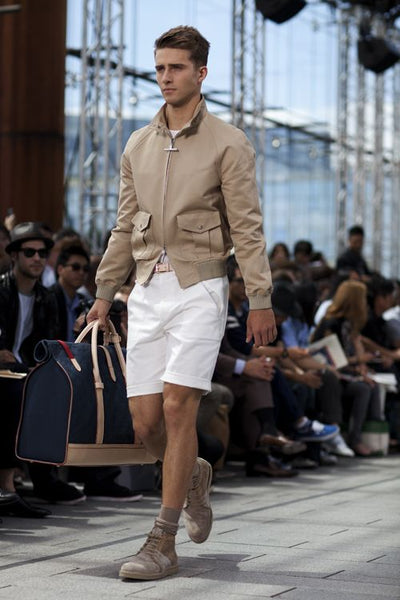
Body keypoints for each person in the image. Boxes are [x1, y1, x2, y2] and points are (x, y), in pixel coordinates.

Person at [86, 26, 276, 581]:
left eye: (176, 67)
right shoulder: (137, 145)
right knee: (145, 425)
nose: (166, 77)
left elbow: (248, 227)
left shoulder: (228, 141)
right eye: (160, 67)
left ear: (201, 73)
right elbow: (124, 226)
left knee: (177, 407)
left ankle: (162, 541)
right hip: (144, 290)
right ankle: (192, 472)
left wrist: (260, 296)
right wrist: (103, 294)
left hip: (201, 287)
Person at [0, 222, 83, 516]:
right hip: (6, 374)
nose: (37, 258)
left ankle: (43, 481)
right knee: (17, 393)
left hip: (25, 369)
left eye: (42, 252)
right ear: (14, 256)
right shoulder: (2, 289)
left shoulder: (46, 298)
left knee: (54, 391)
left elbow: (49, 343)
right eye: (29, 252)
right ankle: (9, 487)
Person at [312, 280, 382, 456]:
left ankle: (366, 435)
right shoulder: (331, 324)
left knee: (370, 385)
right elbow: (334, 359)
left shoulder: (348, 325)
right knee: (363, 389)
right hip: (326, 373)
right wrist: (358, 360)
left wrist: (360, 362)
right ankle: (353, 438)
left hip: (342, 372)